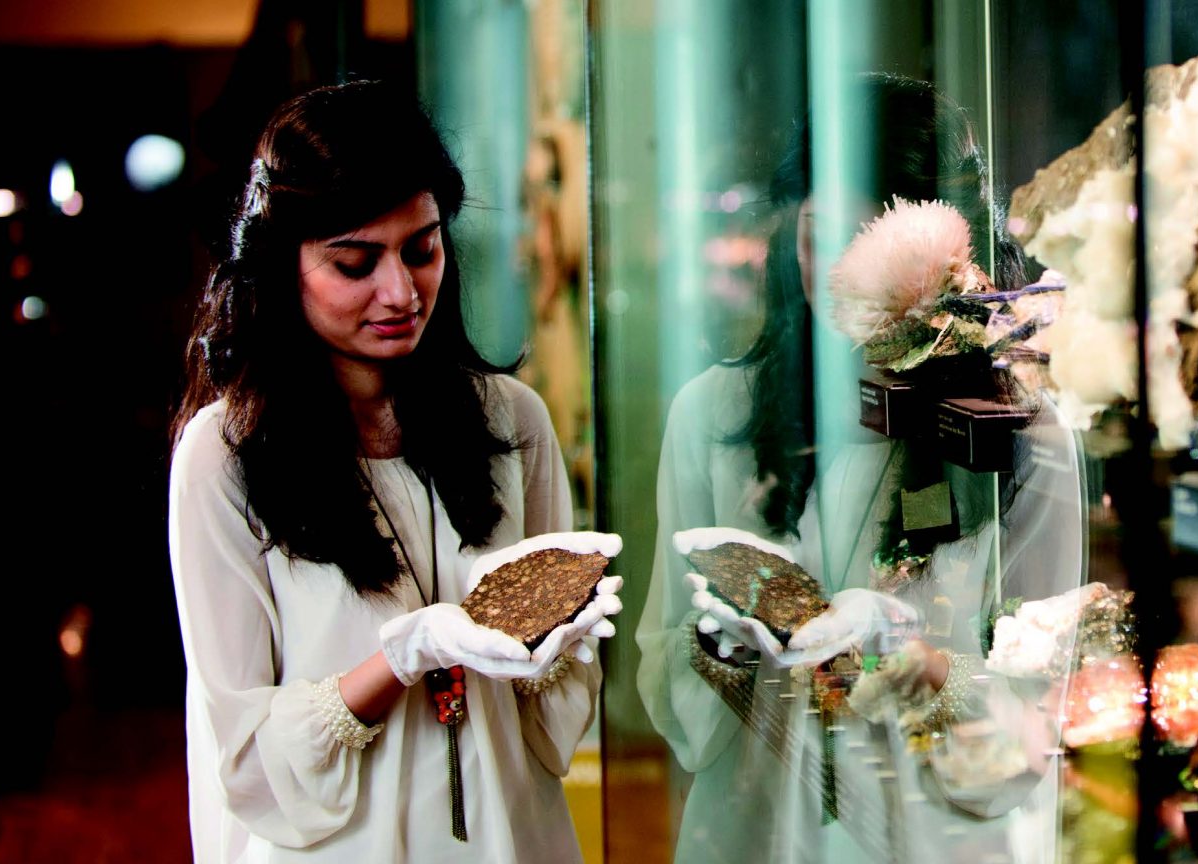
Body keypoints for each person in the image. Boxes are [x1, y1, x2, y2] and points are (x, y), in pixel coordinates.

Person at [636, 74, 1088, 863]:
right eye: (818, 233)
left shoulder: (1021, 433)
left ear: (954, 251)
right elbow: (662, 654)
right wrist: (722, 647)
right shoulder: (715, 412)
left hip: (937, 831)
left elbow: (1042, 690)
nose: (841, 274)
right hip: (757, 819)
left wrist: (921, 669)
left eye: (869, 241)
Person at [169, 79, 620, 863]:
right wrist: (400, 658)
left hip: (508, 832)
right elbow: (243, 750)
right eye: (355, 262)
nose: (401, 292)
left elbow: (553, 718)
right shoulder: (225, 456)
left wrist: (549, 646)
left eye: (423, 249)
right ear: (285, 264)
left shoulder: (511, 421)